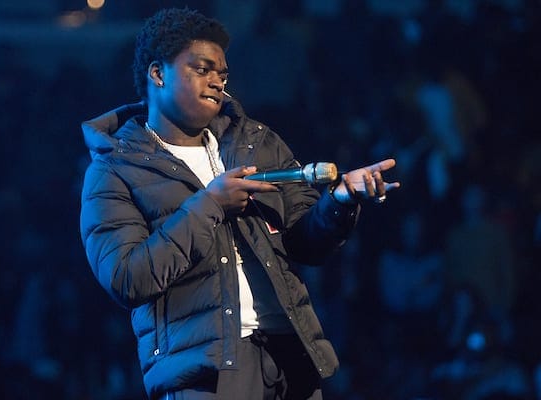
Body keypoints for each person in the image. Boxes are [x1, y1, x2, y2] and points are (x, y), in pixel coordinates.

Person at [79, 8, 399, 400]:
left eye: (223, 75)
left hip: (290, 359)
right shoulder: (116, 169)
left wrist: (340, 200)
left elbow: (305, 243)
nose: (217, 82)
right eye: (202, 70)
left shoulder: (256, 142)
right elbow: (128, 278)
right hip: (207, 372)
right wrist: (210, 205)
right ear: (158, 74)